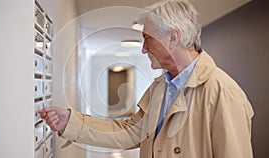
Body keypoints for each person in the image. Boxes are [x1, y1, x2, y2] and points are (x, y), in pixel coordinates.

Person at [40, 0, 254, 157]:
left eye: (147, 38)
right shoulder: (161, 88)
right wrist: (71, 122)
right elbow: (130, 132)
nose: (143, 49)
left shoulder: (222, 92)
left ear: (173, 37)